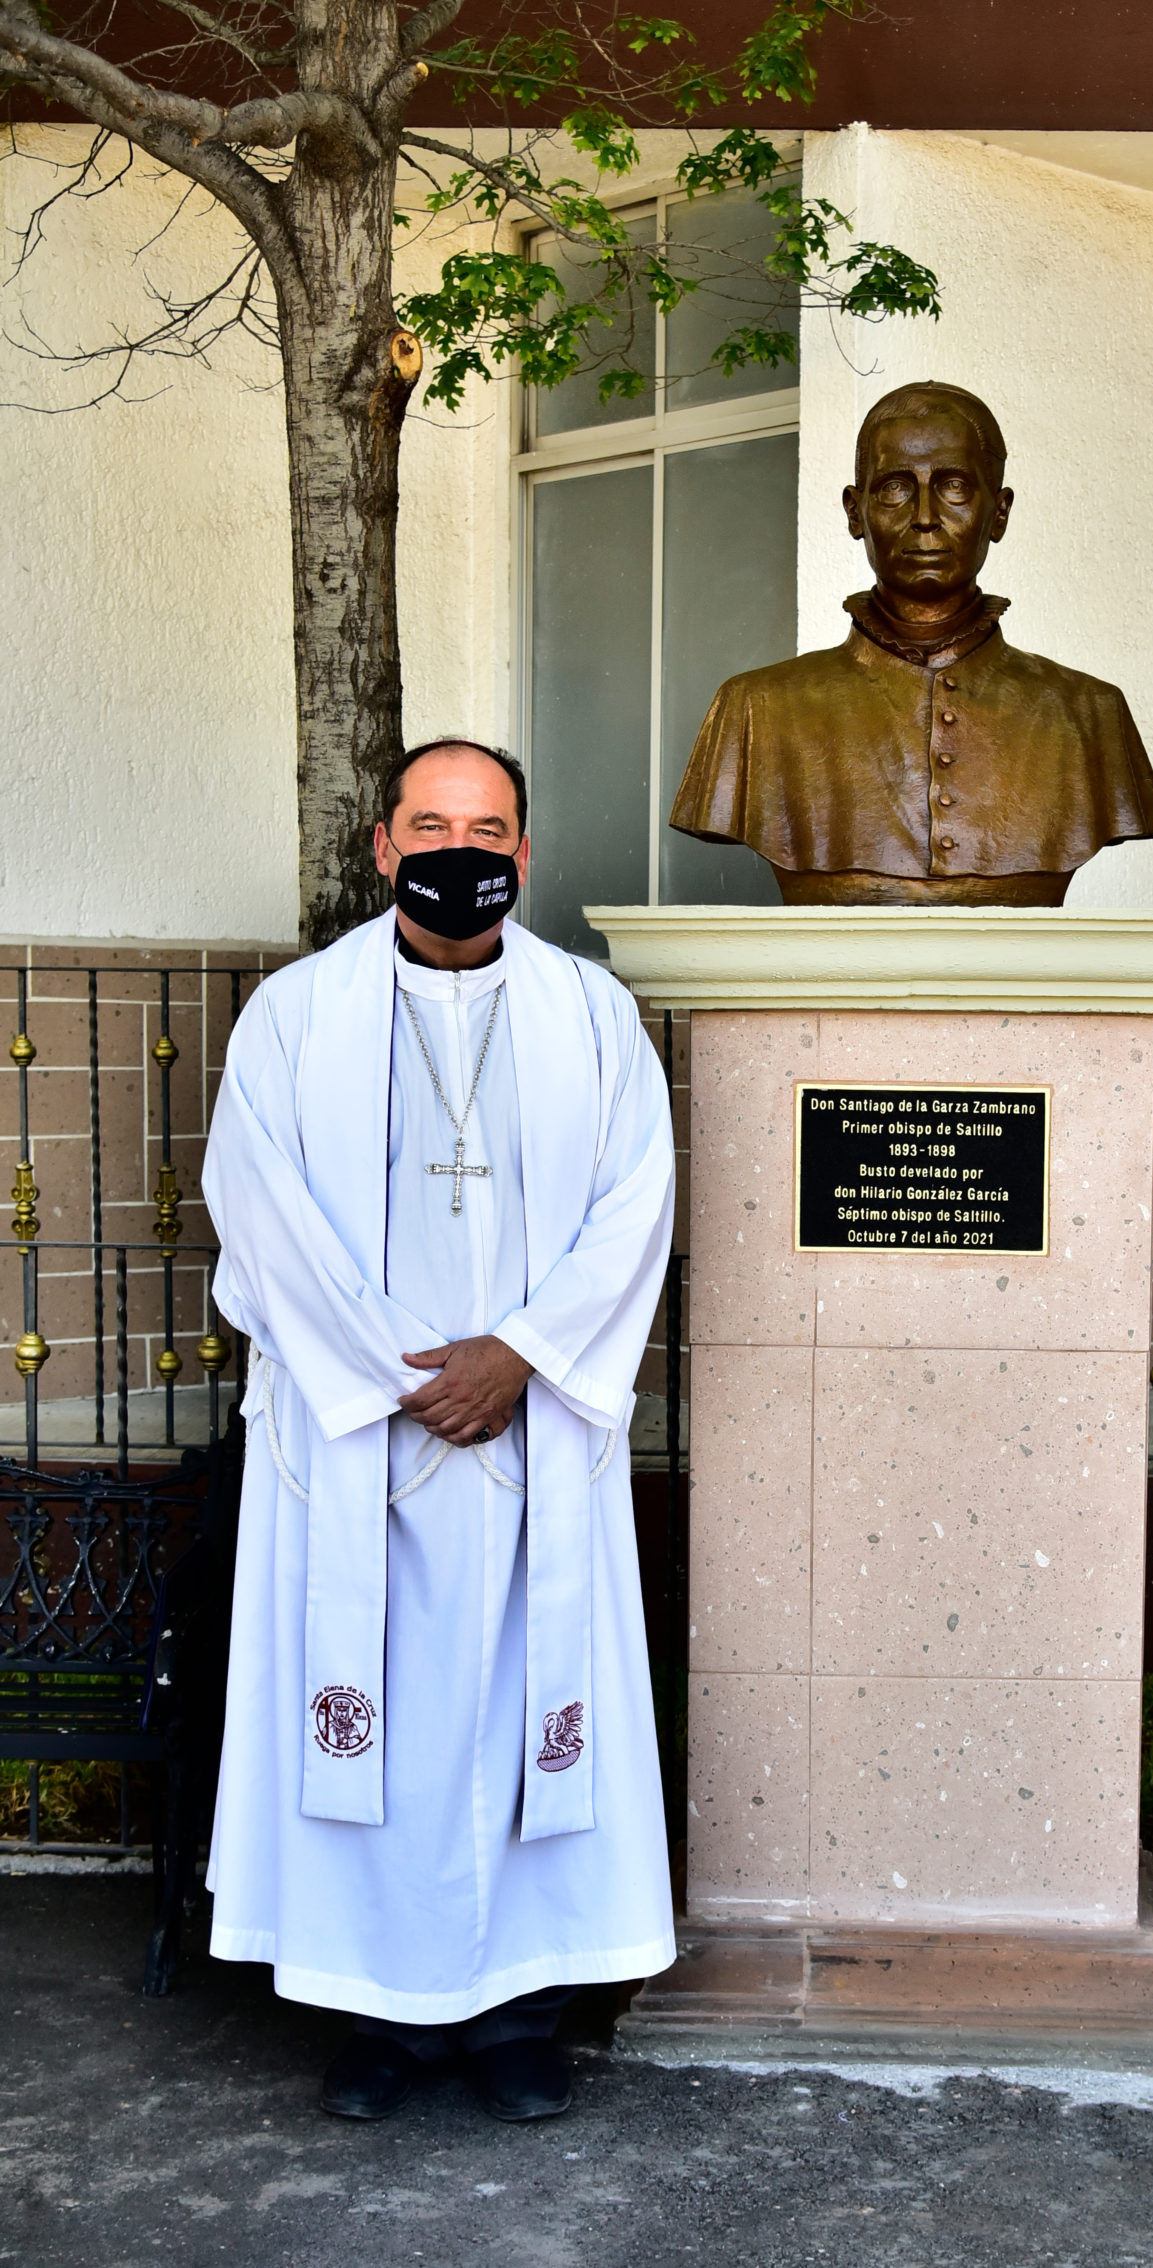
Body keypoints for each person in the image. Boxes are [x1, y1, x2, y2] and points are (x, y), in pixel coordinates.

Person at [202, 739, 676, 2123]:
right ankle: (382, 2020)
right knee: (382, 1726)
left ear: (524, 854)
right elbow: (259, 1208)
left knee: (522, 1714)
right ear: (383, 847)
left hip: (530, 1436)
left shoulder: (593, 1018)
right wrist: (398, 1376)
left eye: (488, 827)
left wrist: (519, 1357)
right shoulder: (296, 1017)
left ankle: (520, 2012)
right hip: (358, 1441)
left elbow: (636, 1209)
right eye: (431, 824)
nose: (458, 849)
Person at [670, 380, 1153, 903]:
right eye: (895, 488)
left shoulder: (1090, 713)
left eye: (954, 486)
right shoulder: (754, 709)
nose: (926, 517)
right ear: (853, 512)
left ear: (998, 513)